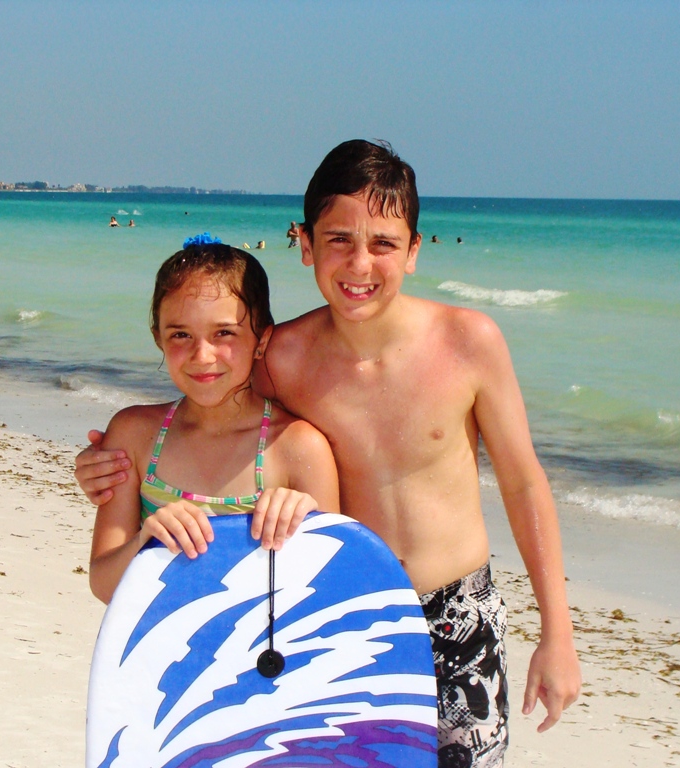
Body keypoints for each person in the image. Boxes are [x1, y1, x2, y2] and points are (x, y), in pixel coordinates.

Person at [77, 140, 580, 767]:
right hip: (340, 614)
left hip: (457, 613)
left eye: (383, 243)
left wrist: (558, 634)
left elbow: (524, 483)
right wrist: (106, 467)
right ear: (305, 243)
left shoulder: (468, 342)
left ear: (414, 250)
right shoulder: (282, 356)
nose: (359, 263)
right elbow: (213, 414)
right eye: (339, 239)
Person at [87, 237, 340, 604]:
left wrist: (301, 522)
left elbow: (329, 589)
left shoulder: (297, 447)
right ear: (158, 339)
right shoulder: (134, 435)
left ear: (261, 340)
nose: (202, 355)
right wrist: (145, 543)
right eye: (180, 335)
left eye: (224, 333)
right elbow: (102, 584)